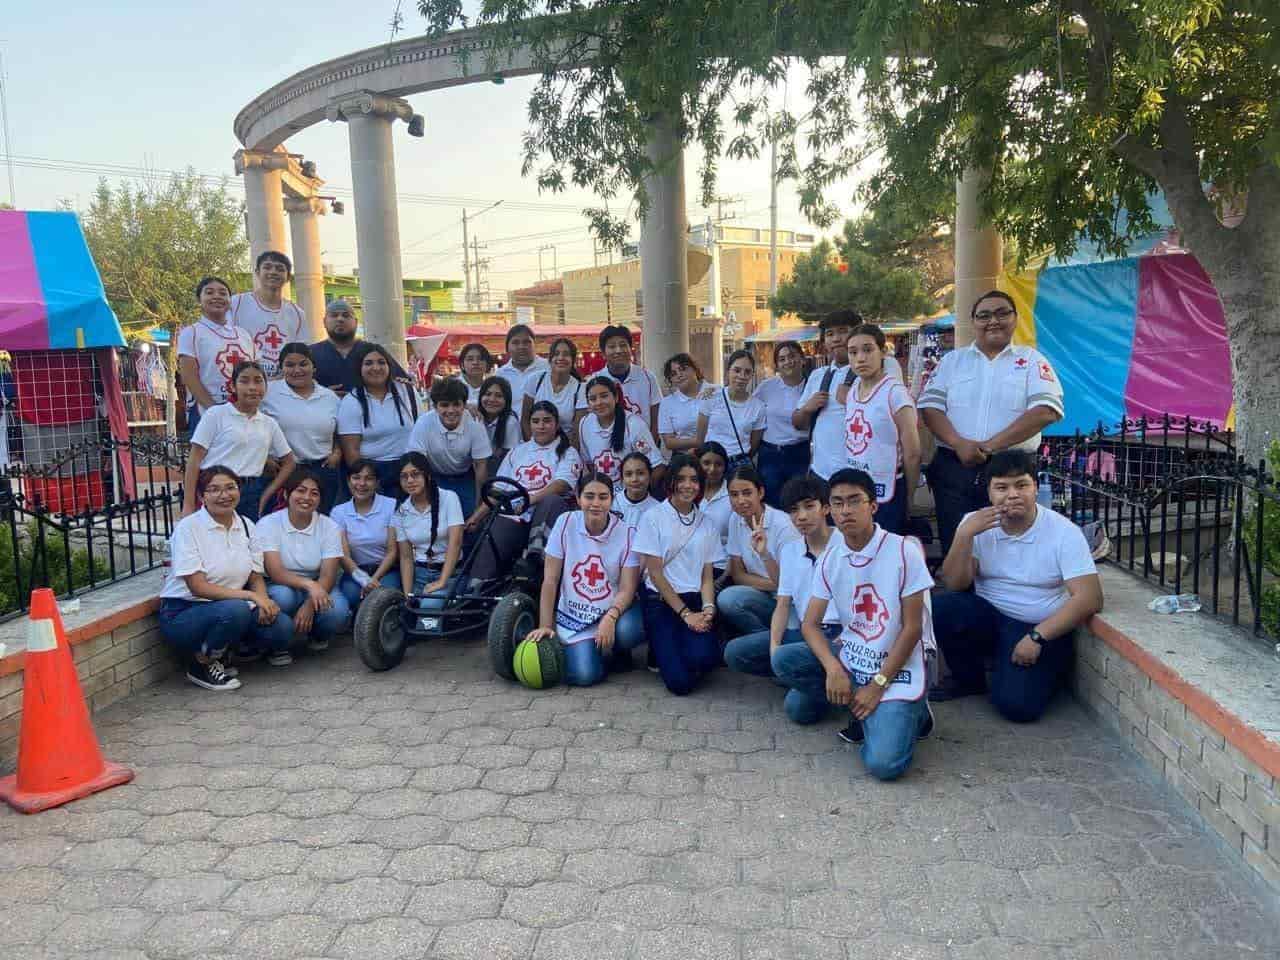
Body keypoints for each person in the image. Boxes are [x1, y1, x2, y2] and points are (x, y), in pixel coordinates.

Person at [931, 450, 1103, 721]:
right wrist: (964, 535)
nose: (1012, 494)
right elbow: (955, 582)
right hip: (990, 615)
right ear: (989, 493)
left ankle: (1040, 672)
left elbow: (1089, 598)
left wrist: (1037, 636)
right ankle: (969, 679)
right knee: (941, 608)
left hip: (1037, 626)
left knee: (1018, 708)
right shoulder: (975, 523)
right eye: (1001, 487)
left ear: (1035, 488)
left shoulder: (1063, 532)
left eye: (1021, 485)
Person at [788, 468, 936, 781]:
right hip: (853, 657)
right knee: (786, 668)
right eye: (838, 503)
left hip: (897, 667)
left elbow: (913, 628)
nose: (846, 511)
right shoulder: (832, 556)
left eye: (855, 501)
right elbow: (810, 624)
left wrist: (878, 685)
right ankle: (866, 709)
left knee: (884, 765)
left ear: (873, 505)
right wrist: (833, 669)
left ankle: (908, 712)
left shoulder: (903, 550)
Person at [919, 290, 1065, 555]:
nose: (993, 321)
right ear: (973, 322)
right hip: (955, 469)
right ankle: (962, 595)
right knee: (958, 543)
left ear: (1015, 318)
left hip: (1011, 471)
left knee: (1013, 545)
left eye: (1001, 313)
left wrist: (988, 447)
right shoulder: (952, 362)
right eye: (984, 316)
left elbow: (1046, 410)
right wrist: (958, 443)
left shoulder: (1032, 361)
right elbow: (929, 408)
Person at [159, 466, 292, 690]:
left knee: (282, 629)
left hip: (231, 608)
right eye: (214, 490)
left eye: (230, 487)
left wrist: (263, 602)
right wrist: (251, 597)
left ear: (239, 490)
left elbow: (255, 575)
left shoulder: (246, 526)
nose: (224, 495)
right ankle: (201, 664)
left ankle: (225, 650)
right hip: (184, 612)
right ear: (202, 496)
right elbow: (198, 587)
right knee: (235, 610)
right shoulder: (188, 528)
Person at [724, 474, 836, 721]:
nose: (802, 516)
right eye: (795, 510)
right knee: (735, 652)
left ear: (826, 508)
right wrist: (775, 648)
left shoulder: (844, 546)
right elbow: (783, 603)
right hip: (803, 632)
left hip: (837, 638)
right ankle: (808, 675)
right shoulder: (792, 551)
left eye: (809, 506)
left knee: (797, 711)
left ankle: (837, 683)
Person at [527, 471, 645, 685]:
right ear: (578, 498)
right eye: (589, 496)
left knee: (627, 632)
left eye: (603, 496)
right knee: (584, 676)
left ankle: (616, 649)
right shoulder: (565, 523)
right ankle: (595, 653)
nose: (596, 503)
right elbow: (551, 580)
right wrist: (545, 625)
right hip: (575, 614)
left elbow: (628, 589)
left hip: (614, 611)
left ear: (612, 499)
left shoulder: (627, 534)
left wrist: (610, 618)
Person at [634, 454, 722, 695]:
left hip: (695, 599)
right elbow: (655, 573)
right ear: (671, 481)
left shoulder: (707, 523)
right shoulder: (653, 517)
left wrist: (707, 610)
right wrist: (686, 615)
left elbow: (706, 575)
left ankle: (677, 649)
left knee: (705, 658)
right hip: (662, 602)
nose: (688, 485)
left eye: (694, 480)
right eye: (681, 479)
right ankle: (662, 645)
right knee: (679, 684)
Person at [466, 401, 581, 583]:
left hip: (548, 516)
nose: (541, 426)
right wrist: (476, 517)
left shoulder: (568, 452)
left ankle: (535, 559)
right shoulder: (517, 451)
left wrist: (528, 500)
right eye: (536, 421)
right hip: (516, 515)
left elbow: (562, 484)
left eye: (547, 421)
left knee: (551, 501)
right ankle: (477, 588)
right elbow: (498, 490)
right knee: (495, 530)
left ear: (556, 424)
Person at [183, 361, 295, 522]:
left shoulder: (268, 423)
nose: (252, 387)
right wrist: (188, 505)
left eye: (258, 381)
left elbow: (289, 461)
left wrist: (268, 492)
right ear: (233, 387)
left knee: (248, 541)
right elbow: (194, 460)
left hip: (252, 493)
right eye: (244, 381)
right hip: (217, 490)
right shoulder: (216, 414)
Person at [255, 468, 350, 657]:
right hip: (281, 583)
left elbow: (328, 575)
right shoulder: (268, 524)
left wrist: (308, 605)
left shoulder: (329, 526)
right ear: (286, 493)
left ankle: (317, 635)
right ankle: (279, 641)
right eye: (300, 490)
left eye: (314, 493)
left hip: (319, 583)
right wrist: (309, 585)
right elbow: (275, 572)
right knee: (283, 597)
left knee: (337, 611)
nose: (307, 497)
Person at [840, 324, 921, 535]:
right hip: (857, 489)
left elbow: (912, 454)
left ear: (883, 351)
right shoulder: (852, 391)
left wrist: (909, 499)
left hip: (888, 490)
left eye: (868, 350)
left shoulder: (896, 393)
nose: (860, 358)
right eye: (853, 352)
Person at [716, 465, 802, 638]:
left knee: (793, 636)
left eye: (747, 493)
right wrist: (773, 583)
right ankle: (764, 638)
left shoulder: (783, 526)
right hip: (761, 593)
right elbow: (738, 574)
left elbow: (791, 584)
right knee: (728, 599)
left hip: (791, 600)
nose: (740, 501)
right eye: (734, 495)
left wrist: (773, 580)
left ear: (760, 493)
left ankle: (770, 641)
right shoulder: (735, 519)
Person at [262, 342, 342, 514]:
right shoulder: (268, 393)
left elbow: (340, 432)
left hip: (323, 472)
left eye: (303, 364)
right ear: (281, 368)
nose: (297, 370)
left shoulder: (330, 397)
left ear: (313, 367)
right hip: (282, 472)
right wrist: (264, 457)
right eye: (290, 365)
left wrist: (337, 452)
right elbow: (252, 427)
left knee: (322, 524)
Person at [176, 276, 256, 436]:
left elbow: (255, 372)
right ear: (200, 300)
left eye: (222, 293)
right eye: (209, 292)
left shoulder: (243, 334)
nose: (217, 297)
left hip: (245, 412)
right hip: (206, 412)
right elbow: (189, 376)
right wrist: (215, 410)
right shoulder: (191, 333)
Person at [337, 343, 419, 498]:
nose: (376, 368)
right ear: (359, 368)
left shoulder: (408, 392)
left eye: (381, 362)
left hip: (408, 472)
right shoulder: (351, 401)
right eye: (368, 363)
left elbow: (421, 432)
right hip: (372, 475)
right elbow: (351, 452)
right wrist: (366, 482)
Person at [407, 377, 491, 521]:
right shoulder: (424, 422)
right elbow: (416, 463)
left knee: (470, 518)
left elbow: (480, 465)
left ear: (464, 405)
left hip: (465, 477)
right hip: (435, 476)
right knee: (435, 517)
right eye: (444, 405)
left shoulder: (475, 422)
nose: (451, 411)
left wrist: (478, 507)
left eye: (456, 404)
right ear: (435, 406)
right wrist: (422, 496)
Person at [792, 310, 857, 482]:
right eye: (830, 334)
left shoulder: (872, 373)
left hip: (858, 475)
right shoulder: (817, 376)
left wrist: (853, 400)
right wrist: (807, 409)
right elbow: (798, 424)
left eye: (843, 331)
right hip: (820, 473)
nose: (836, 339)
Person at [393, 451, 465, 596]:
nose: (410, 480)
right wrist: (408, 595)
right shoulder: (401, 511)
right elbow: (406, 557)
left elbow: (455, 543)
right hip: (420, 574)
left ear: (428, 475)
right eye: (404, 476)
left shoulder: (449, 498)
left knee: (429, 607)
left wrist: (442, 581)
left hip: (450, 574)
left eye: (415, 474)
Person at [331, 459, 399, 612]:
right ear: (348, 481)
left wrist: (373, 580)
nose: (362, 483)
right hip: (355, 572)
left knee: (383, 596)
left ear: (377, 483)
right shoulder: (338, 512)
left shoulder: (391, 505)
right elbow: (344, 556)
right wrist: (364, 580)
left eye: (368, 478)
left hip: (386, 570)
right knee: (352, 595)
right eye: (356, 477)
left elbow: (392, 551)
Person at [576, 325, 663, 442]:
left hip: (642, 447)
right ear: (603, 353)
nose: (618, 350)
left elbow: (656, 417)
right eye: (612, 346)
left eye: (623, 345)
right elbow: (582, 420)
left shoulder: (648, 378)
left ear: (630, 348)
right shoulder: (592, 382)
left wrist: (650, 446)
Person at [310, 299, 411, 397]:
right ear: (324, 322)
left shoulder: (373, 351)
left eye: (346, 315)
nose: (340, 319)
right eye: (334, 315)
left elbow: (401, 382)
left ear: (356, 322)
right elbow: (297, 389)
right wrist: (322, 394)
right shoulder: (310, 353)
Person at [229, 251, 306, 378]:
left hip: (283, 386)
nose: (273, 272)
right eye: (267, 267)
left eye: (280, 269)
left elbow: (302, 353)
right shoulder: (236, 303)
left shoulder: (297, 313)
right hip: (246, 385)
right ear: (257, 272)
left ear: (288, 277)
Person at [753, 341, 811, 507]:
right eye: (782, 359)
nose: (788, 362)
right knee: (770, 502)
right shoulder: (767, 387)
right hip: (770, 453)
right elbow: (748, 407)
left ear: (802, 359)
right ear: (777, 365)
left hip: (800, 453)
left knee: (798, 501)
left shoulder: (811, 386)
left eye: (792, 356)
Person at [578, 376, 664, 486]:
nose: (599, 402)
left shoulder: (634, 424)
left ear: (616, 397)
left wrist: (636, 495)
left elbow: (657, 466)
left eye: (604, 396)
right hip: (602, 497)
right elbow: (590, 465)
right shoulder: (585, 423)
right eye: (593, 399)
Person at [695, 349, 765, 473]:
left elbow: (754, 445)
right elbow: (700, 438)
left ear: (752, 375)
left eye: (747, 372)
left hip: (740, 465)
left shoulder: (758, 407)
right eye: (737, 370)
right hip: (712, 465)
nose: (741, 376)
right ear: (728, 371)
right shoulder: (711, 397)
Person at [521, 337, 582, 443]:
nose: (561, 358)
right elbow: (525, 419)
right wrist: (534, 447)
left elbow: (577, 431)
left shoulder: (580, 389)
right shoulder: (535, 380)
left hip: (565, 447)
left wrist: (563, 453)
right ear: (550, 359)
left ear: (573, 360)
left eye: (566, 354)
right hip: (535, 446)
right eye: (556, 354)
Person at [658, 353, 715, 457]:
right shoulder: (667, 403)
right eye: (673, 374)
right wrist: (697, 442)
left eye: (683, 369)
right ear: (670, 380)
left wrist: (702, 445)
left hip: (716, 455)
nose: (679, 375)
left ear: (695, 369)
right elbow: (669, 442)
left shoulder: (716, 392)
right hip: (685, 458)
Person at [698, 443, 733, 586]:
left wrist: (722, 579)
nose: (712, 469)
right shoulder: (687, 491)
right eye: (706, 463)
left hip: (721, 567)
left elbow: (737, 545)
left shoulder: (733, 495)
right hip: (689, 565)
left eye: (718, 464)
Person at [476, 376, 521, 472]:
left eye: (499, 396)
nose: (492, 399)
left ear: (507, 400)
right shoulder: (475, 414)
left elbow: (508, 460)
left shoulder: (510, 422)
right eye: (488, 394)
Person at [496, 324, 549, 402]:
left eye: (526, 342)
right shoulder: (500, 374)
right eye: (515, 342)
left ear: (535, 345)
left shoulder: (548, 367)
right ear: (507, 348)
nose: (521, 347)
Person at [613, 452, 657, 530]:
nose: (634, 479)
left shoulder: (658, 510)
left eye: (640, 473)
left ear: (650, 475)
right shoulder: (611, 504)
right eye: (628, 474)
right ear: (622, 478)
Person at [456, 342, 495, 407]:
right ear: (462, 365)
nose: (475, 362)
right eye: (470, 359)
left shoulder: (492, 388)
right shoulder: (450, 387)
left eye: (480, 359)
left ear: (487, 364)